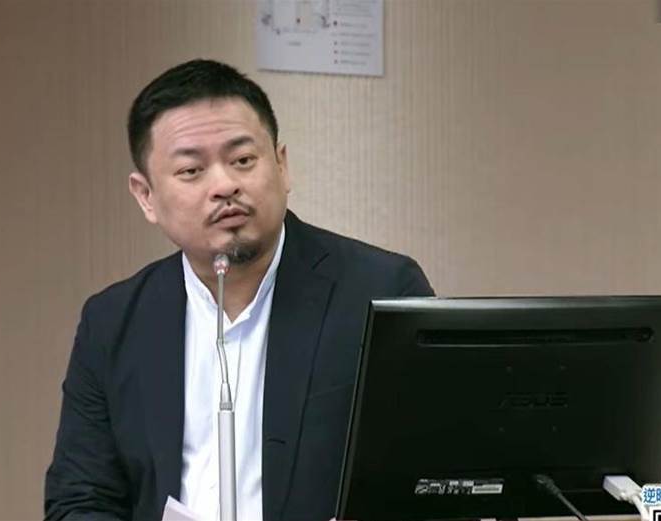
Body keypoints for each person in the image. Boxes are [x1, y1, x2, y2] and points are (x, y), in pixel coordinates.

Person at [45, 59, 434, 521]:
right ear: (146, 196)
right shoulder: (113, 322)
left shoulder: (382, 292)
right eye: (191, 170)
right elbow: (80, 499)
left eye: (243, 161)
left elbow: (435, 482)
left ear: (282, 165)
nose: (225, 185)